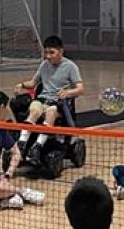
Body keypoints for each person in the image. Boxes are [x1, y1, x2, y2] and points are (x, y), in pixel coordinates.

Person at [13, 35, 85, 165]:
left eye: (52, 52)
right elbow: (33, 83)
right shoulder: (44, 65)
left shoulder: (71, 67)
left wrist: (68, 92)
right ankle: (22, 143)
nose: (48, 56)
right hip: (42, 100)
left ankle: (37, 147)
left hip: (58, 104)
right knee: (34, 110)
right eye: (46, 53)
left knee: (51, 112)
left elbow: (80, 89)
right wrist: (22, 85)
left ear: (61, 51)